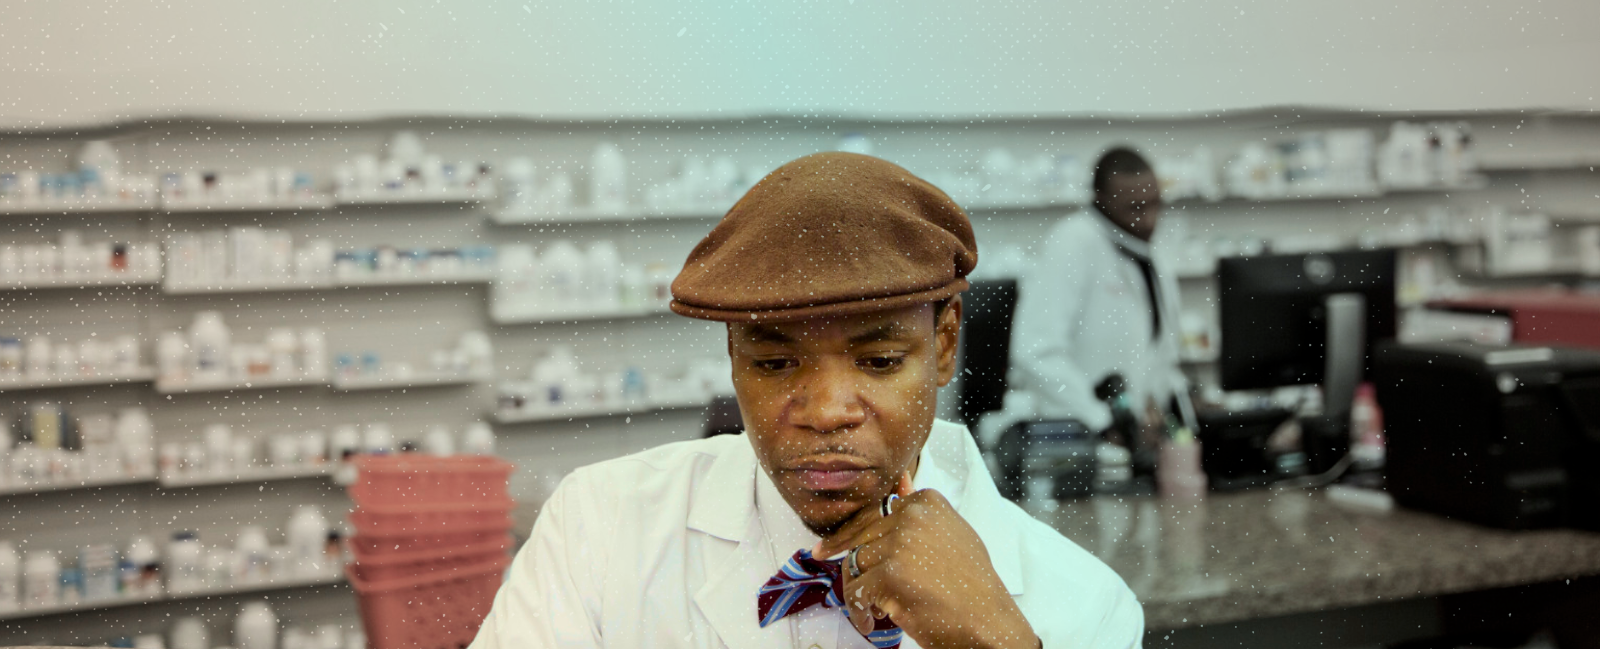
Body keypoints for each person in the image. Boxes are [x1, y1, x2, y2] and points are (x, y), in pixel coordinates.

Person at [469, 152, 1143, 649]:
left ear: (943, 347)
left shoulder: (1084, 608)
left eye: (878, 361)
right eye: (774, 361)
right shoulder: (603, 528)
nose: (825, 412)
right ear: (732, 358)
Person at [983, 148, 1188, 449]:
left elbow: (1159, 352)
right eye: (1134, 208)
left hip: (1132, 438)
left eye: (1155, 204)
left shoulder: (1146, 252)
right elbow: (1036, 352)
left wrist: (1168, 402)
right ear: (1100, 200)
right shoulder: (1072, 242)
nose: (1149, 219)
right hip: (1076, 436)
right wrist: (1100, 419)